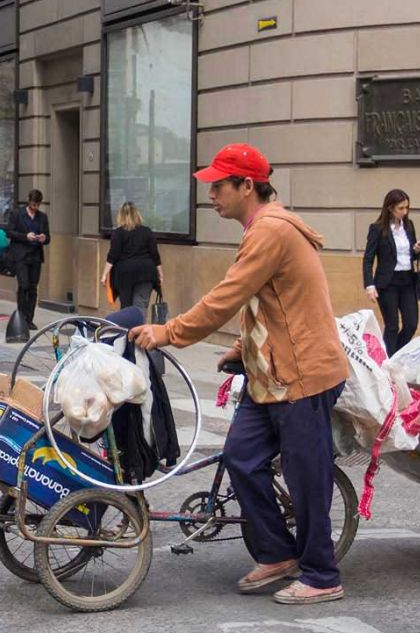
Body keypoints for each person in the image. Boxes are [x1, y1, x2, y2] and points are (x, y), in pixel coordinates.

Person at [129, 143, 349, 605]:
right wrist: (240, 349)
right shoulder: (261, 228)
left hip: (302, 374)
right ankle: (277, 553)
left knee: (306, 478)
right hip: (270, 374)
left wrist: (167, 332)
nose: (211, 194)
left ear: (247, 185)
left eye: (218, 185)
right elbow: (265, 302)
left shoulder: (271, 230)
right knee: (241, 456)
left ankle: (322, 575)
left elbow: (226, 297)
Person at [361, 189, 420, 355]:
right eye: (401, 208)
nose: (404, 212)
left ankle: (392, 356)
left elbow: (411, 255)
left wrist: (416, 250)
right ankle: (388, 363)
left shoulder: (409, 226)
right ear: (390, 208)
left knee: (411, 324)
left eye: (407, 208)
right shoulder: (377, 229)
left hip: (408, 280)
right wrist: (369, 285)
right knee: (392, 326)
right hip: (387, 283)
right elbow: (368, 258)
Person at [101, 202, 164, 318]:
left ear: (121, 216)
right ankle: (139, 328)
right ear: (137, 215)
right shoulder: (147, 232)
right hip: (146, 272)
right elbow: (155, 255)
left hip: (125, 274)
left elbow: (112, 256)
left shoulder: (118, 233)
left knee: (126, 307)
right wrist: (160, 273)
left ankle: (128, 328)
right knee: (141, 305)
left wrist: (104, 274)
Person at [6, 189, 49, 330]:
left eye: (37, 205)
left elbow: (48, 238)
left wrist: (43, 238)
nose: (35, 207)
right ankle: (21, 316)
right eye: (33, 204)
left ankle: (29, 319)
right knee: (23, 285)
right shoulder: (17, 214)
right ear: (29, 201)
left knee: (33, 288)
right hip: (21, 255)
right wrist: (25, 236)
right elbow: (9, 232)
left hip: (35, 256)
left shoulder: (42, 217)